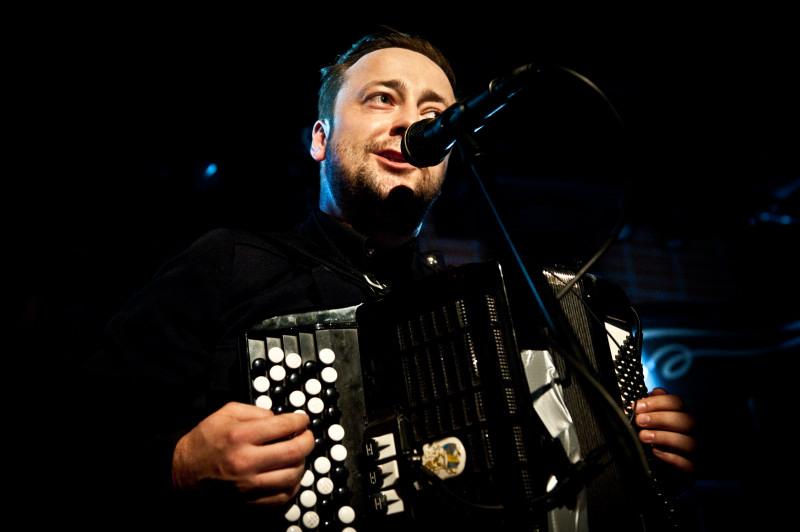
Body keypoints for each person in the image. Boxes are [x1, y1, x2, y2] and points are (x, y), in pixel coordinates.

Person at [76, 30, 696, 529]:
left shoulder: (483, 315)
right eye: (382, 98)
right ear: (320, 139)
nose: (412, 122)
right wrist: (178, 467)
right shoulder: (231, 264)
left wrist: (641, 449)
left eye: (435, 112)